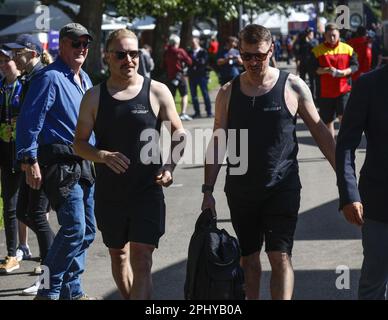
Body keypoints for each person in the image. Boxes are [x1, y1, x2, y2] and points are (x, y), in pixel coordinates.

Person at [201, 24, 336, 300]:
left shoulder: (293, 86)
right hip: (241, 190)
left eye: (259, 56)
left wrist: (344, 177)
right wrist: (207, 191)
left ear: (271, 51)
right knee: (249, 260)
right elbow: (218, 142)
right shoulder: (228, 92)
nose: (252, 62)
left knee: (280, 256)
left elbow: (321, 131)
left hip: (282, 187)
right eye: (246, 56)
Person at [73, 29, 186, 300]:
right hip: (110, 193)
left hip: (147, 189)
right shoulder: (94, 97)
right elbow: (79, 143)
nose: (129, 60)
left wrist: (169, 167)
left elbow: (179, 134)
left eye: (133, 53)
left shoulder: (157, 91)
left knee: (143, 260)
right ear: (108, 57)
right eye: (121, 54)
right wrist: (102, 156)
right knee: (119, 255)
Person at [16, 23, 96, 300]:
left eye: (85, 44)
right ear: (61, 45)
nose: (81, 49)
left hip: (84, 162)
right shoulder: (49, 77)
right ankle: (48, 288)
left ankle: (72, 292)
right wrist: (29, 160)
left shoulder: (84, 78)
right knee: (74, 229)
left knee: (87, 233)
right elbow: (29, 121)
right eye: (76, 43)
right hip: (59, 163)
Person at [4, 33, 56, 295]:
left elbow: (40, 120)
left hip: (42, 158)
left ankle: (50, 275)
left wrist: (31, 158)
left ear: (33, 53)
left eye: (18, 52)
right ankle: (56, 259)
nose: (13, 57)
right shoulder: (30, 78)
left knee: (36, 214)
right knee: (24, 212)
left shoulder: (41, 77)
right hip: (30, 157)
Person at [336, 65, 388, 300]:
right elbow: (346, 144)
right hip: (380, 203)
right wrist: (349, 193)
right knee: (374, 280)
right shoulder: (369, 84)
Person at [312, 23, 359, 139]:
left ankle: (343, 145)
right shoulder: (317, 51)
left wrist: (344, 72)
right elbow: (312, 70)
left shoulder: (347, 49)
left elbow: (355, 66)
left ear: (338, 34)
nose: (332, 38)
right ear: (324, 35)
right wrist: (326, 70)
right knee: (328, 121)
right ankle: (332, 147)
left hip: (344, 90)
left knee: (343, 118)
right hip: (325, 92)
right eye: (329, 36)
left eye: (334, 35)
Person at [0, 48, 23, 273]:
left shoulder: (25, 85)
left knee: (35, 210)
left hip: (25, 154)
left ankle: (46, 254)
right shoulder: (0, 86)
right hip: (5, 153)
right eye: (1, 61)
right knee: (9, 205)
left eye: (7, 60)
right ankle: (11, 253)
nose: (4, 64)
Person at [163, 34, 192, 121]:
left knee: (172, 96)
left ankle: (172, 114)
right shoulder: (180, 51)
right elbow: (189, 61)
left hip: (170, 76)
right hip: (180, 76)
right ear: (177, 43)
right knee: (184, 94)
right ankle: (183, 113)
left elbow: (163, 64)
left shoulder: (166, 52)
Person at [188, 36, 213, 118]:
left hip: (201, 75)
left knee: (205, 94)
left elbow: (203, 62)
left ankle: (209, 111)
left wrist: (193, 60)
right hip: (192, 76)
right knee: (193, 95)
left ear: (197, 42)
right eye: (191, 42)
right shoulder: (189, 51)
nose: (192, 44)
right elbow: (187, 62)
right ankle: (197, 112)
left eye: (194, 42)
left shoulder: (203, 51)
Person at [296, 27, 318, 99]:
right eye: (308, 33)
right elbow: (298, 53)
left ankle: (313, 96)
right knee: (302, 81)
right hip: (303, 64)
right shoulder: (301, 42)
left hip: (311, 64)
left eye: (311, 33)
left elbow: (315, 50)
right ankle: (303, 96)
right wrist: (297, 63)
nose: (309, 35)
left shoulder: (315, 41)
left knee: (312, 81)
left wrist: (309, 42)